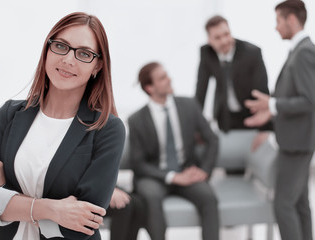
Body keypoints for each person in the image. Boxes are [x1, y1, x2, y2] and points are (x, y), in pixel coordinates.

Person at [0, 12, 126, 240]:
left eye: (83, 53)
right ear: (47, 49)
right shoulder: (10, 114)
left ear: (97, 66)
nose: (68, 60)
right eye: (61, 46)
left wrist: (3, 189)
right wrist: (53, 210)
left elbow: (81, 225)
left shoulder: (107, 129)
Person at [244, 1, 315, 239]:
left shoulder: (304, 52)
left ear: (291, 20)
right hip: (296, 140)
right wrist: (271, 110)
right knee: (299, 204)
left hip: (296, 144)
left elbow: (309, 100)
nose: (276, 28)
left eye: (278, 21)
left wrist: (272, 105)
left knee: (283, 204)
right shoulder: (299, 50)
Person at [128, 62, 219, 240]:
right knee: (151, 196)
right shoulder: (136, 120)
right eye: (162, 78)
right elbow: (138, 164)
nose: (169, 79)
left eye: (167, 74)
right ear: (149, 88)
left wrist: (205, 171)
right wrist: (172, 177)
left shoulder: (189, 105)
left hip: (187, 171)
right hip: (155, 176)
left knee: (209, 198)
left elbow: (212, 140)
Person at [195, 15, 272, 154]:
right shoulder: (206, 53)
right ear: (209, 40)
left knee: (256, 158)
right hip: (225, 117)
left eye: (226, 34)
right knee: (232, 161)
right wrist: (195, 127)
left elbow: (262, 91)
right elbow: (201, 91)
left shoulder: (252, 53)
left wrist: (265, 128)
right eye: (217, 37)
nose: (224, 41)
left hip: (251, 115)